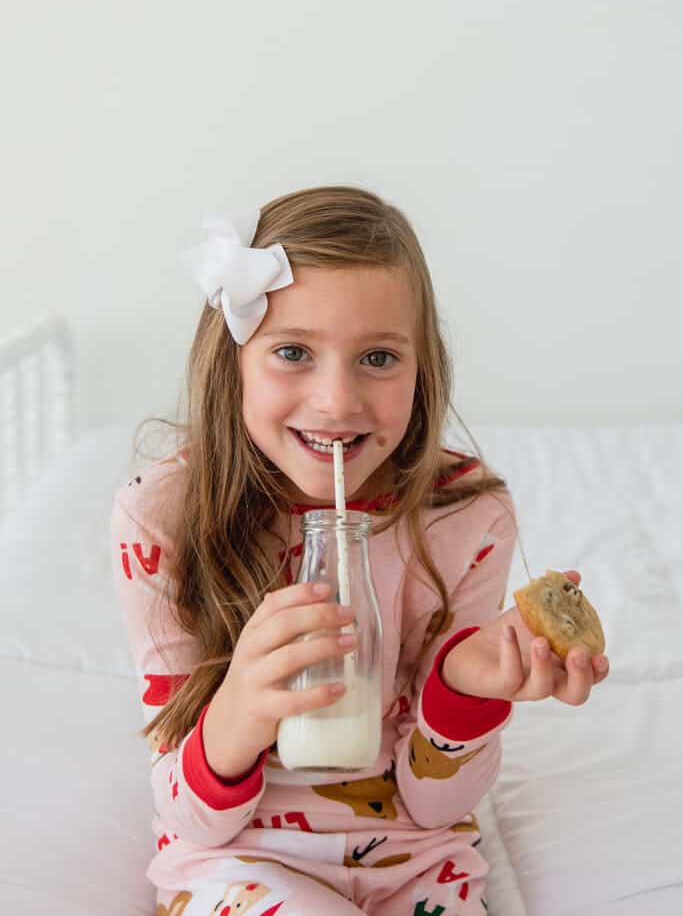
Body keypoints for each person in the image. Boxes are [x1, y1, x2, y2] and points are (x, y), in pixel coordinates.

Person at [111, 185, 609, 916]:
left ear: (423, 368)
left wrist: (464, 691)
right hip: (237, 858)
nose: (337, 401)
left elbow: (436, 805)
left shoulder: (466, 518)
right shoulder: (163, 517)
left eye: (377, 356)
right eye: (292, 353)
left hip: (417, 864)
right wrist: (243, 705)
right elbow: (189, 815)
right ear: (232, 362)